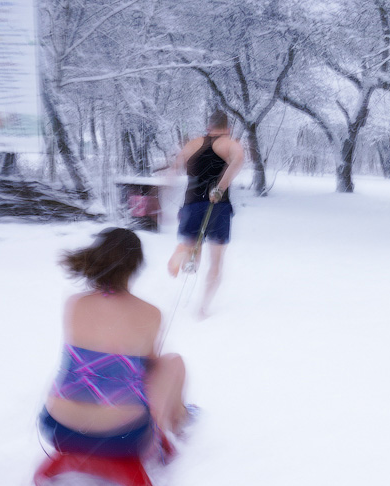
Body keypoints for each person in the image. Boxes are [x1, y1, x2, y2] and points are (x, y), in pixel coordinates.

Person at [40, 228, 189, 458]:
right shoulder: (150, 313)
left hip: (59, 429)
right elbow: (150, 364)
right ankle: (178, 420)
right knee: (172, 362)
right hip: (121, 437)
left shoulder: (75, 303)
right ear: (135, 266)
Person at [167, 109, 245, 318]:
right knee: (216, 261)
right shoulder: (229, 144)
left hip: (191, 204)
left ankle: (185, 252)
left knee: (193, 253)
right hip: (218, 206)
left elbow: (174, 169)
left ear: (208, 126)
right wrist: (220, 187)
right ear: (228, 128)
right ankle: (203, 308)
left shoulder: (192, 144)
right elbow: (238, 160)